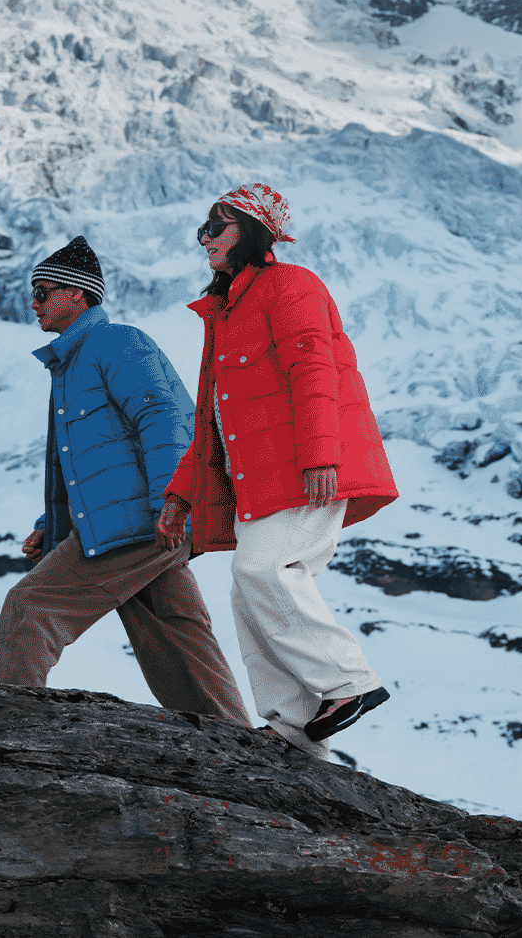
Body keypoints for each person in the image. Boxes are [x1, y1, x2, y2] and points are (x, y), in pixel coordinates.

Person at [156, 184, 399, 759]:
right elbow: (211, 422)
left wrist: (322, 456)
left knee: (264, 570)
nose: (205, 238)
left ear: (251, 229)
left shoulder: (291, 285)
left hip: (304, 470)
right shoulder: (227, 311)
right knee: (249, 590)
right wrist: (181, 495)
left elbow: (314, 369)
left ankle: (349, 684)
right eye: (203, 229)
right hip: (258, 481)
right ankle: (292, 724)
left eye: (216, 226)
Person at [0, 236, 252, 726]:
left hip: (142, 520)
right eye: (34, 293)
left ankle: (4, 729)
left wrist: (172, 500)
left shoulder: (117, 343)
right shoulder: (70, 364)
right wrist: (53, 521)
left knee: (30, 608)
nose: (34, 302)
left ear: (79, 295)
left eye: (44, 291)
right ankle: (236, 743)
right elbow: (84, 463)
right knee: (178, 636)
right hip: (146, 519)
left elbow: (164, 420)